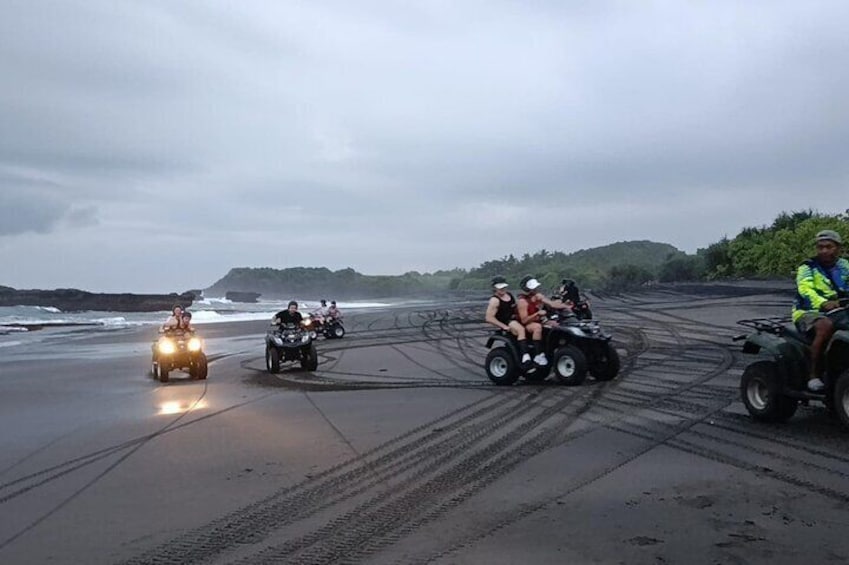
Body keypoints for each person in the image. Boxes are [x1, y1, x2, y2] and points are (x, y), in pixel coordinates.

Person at [792, 229, 849, 391]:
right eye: (820, 247)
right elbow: (805, 290)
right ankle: (813, 374)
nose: (824, 251)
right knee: (825, 326)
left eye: (828, 247)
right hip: (808, 311)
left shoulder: (845, 266)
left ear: (838, 248)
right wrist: (824, 303)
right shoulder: (807, 267)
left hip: (840, 309)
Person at [516, 275, 571, 366]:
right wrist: (537, 314)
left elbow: (552, 304)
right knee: (537, 327)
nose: (536, 289)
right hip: (527, 323)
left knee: (557, 325)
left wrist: (566, 306)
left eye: (536, 287)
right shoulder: (522, 302)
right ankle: (538, 355)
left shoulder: (538, 296)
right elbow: (524, 320)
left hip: (539, 320)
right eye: (534, 288)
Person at [485, 275, 532, 366]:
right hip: (506, 321)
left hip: (515, 318)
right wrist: (504, 326)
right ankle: (525, 356)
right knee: (520, 330)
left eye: (504, 287)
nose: (502, 289)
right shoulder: (495, 300)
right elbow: (489, 318)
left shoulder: (509, 295)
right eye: (500, 287)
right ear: (494, 288)